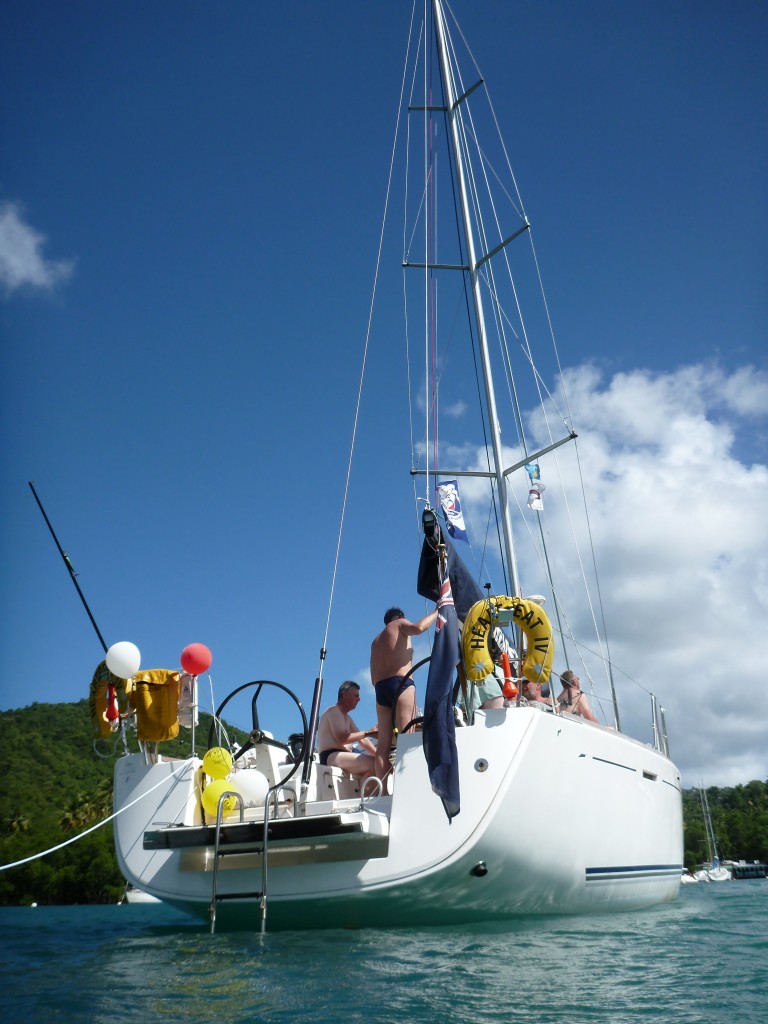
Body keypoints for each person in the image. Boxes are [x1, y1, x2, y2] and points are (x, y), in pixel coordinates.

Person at [370, 605, 438, 778]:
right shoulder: (399, 624)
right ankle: (407, 783)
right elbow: (418, 628)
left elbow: (372, 678)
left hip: (380, 690)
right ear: (399, 617)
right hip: (401, 683)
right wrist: (437, 611)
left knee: (383, 745)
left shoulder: (375, 642)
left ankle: (384, 791)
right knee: (406, 737)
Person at [316, 681, 378, 780]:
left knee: (378, 762)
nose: (359, 699)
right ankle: (367, 796)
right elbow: (342, 738)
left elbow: (363, 740)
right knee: (373, 763)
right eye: (356, 696)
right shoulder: (333, 711)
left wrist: (379, 756)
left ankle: (369, 794)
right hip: (330, 756)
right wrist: (366, 733)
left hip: (341, 755)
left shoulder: (348, 718)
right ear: (345, 695)